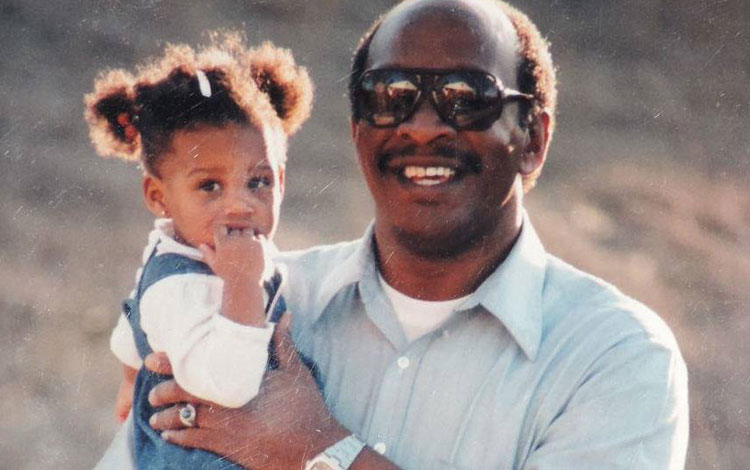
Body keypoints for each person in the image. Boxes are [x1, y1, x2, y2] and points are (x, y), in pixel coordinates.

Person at [97, 1, 689, 469]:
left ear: (532, 139)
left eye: (465, 98)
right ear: (358, 134)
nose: (423, 126)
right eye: (391, 97)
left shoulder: (613, 356)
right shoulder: (258, 301)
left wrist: (316, 452)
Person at [85, 33, 312, 469]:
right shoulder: (183, 286)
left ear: (281, 181)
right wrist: (242, 284)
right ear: (158, 196)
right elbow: (231, 387)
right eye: (209, 186)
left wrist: (131, 378)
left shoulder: (176, 247)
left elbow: (130, 330)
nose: (240, 204)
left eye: (258, 181)